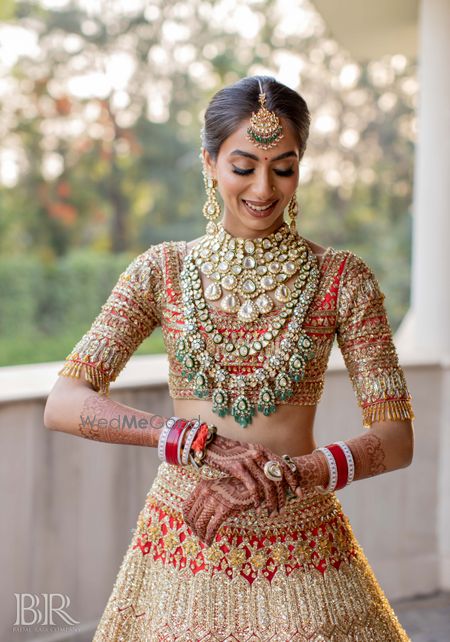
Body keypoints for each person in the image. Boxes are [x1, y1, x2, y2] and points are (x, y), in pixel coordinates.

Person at [44, 75, 415, 641]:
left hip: (299, 540)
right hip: (186, 533)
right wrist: (193, 441)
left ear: (300, 166)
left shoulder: (341, 280)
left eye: (283, 167)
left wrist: (296, 472)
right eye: (243, 166)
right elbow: (65, 402)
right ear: (210, 162)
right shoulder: (161, 272)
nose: (264, 188)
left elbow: (396, 437)